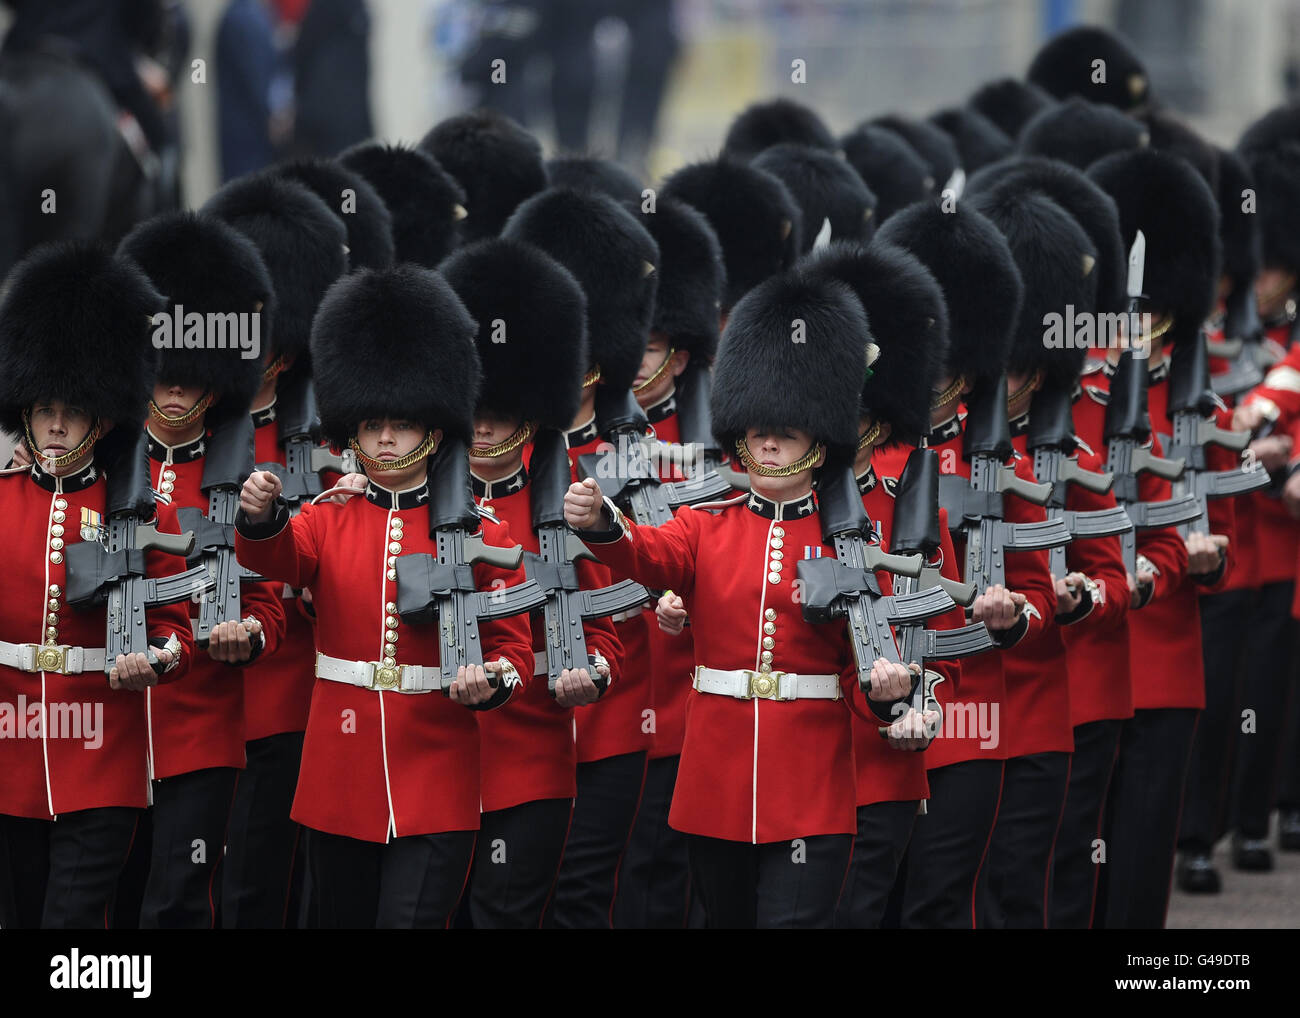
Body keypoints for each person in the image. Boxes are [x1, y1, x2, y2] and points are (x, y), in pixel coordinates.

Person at [564, 267, 914, 928]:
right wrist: (604, 523)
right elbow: (649, 554)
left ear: (818, 440)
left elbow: (862, 654)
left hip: (810, 780)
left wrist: (888, 691)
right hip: (716, 779)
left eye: (784, 431)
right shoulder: (707, 521)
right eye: (756, 432)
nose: (769, 441)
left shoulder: (850, 537)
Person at [235, 263, 535, 928]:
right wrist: (260, 517)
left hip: (437, 770)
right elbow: (282, 556)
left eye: (401, 425)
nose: (386, 440)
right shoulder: (328, 514)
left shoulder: (483, 530)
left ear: (432, 427)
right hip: (341, 771)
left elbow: (515, 649)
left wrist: (493, 679)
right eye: (372, 427)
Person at [0, 241, 194, 929]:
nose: (54, 423)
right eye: (44, 407)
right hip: (11, 753)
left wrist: (157, 659)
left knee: (73, 928)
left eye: (72, 409)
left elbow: (177, 631)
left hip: (102, 754)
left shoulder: (142, 513)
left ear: (103, 418)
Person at [442, 236, 625, 927]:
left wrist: (595, 672)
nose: (485, 425)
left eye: (502, 412)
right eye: (477, 409)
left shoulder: (574, 502)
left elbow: (606, 629)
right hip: (432, 751)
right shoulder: (410, 503)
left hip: (529, 753)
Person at [117, 211, 289, 929]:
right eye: (168, 373)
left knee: (180, 906)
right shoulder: (96, 471)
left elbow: (272, 602)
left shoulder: (240, 476)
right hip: (106, 725)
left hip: (200, 727)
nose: (179, 391)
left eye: (195, 377)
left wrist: (249, 633)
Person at [502, 185, 660, 928]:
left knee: (584, 901)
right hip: (515, 715)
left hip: (615, 713)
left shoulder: (648, 458)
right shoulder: (499, 459)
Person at [202, 171, 349, 928]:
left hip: (289, 702)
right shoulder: (174, 427)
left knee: (267, 894)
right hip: (183, 699)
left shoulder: (329, 441)